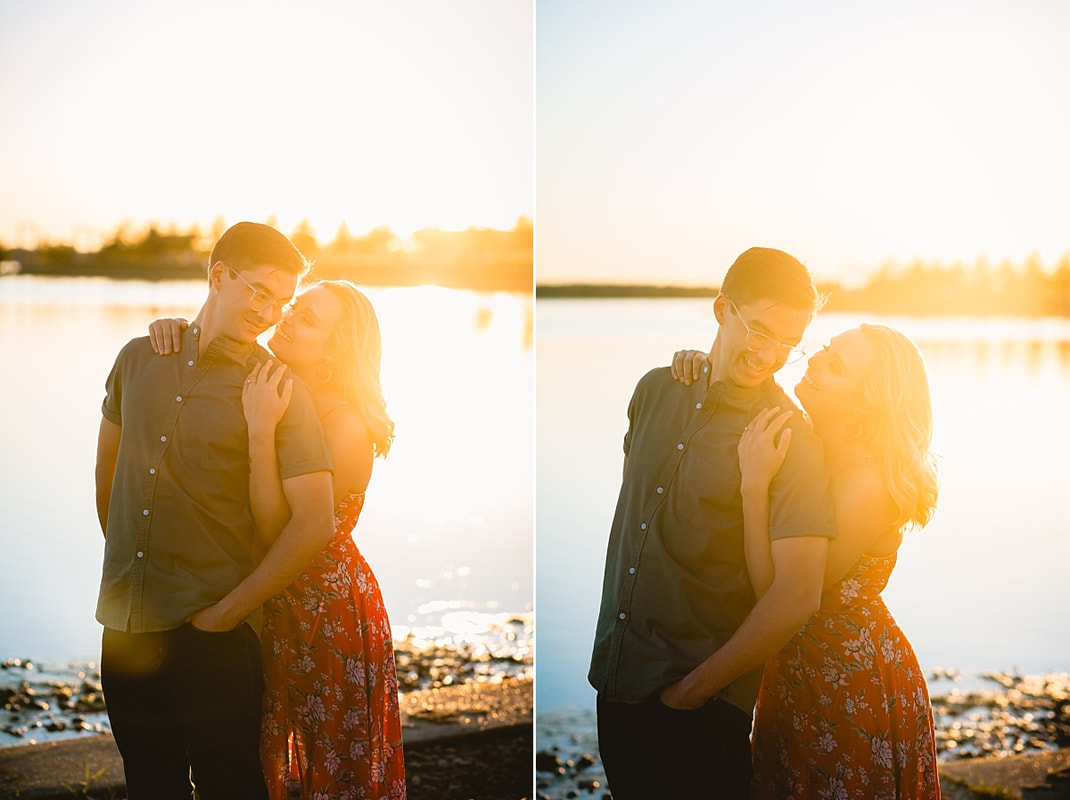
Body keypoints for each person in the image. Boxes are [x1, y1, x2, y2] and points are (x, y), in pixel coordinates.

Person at [94, 222, 336, 800]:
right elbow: (108, 477)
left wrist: (229, 614)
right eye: (260, 291)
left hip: (216, 634)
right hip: (125, 627)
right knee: (150, 783)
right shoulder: (137, 358)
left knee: (232, 786)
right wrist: (130, 572)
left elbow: (315, 523)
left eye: (281, 302)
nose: (269, 312)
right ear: (219, 276)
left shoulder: (278, 390)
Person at [587, 247, 837, 799]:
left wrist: (694, 692)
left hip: (698, 702)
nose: (769, 354)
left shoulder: (788, 438)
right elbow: (637, 519)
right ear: (723, 309)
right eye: (760, 330)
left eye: (787, 344)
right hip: (617, 677)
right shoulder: (655, 390)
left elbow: (797, 596)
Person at [148, 279, 406, 799]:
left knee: (327, 761)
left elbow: (280, 528)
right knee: (272, 758)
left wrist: (262, 432)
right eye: (294, 307)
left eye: (308, 319)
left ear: (336, 349)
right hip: (277, 594)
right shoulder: (280, 381)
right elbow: (218, 332)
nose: (286, 318)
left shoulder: (346, 424)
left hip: (324, 611)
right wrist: (176, 329)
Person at [671, 324, 941, 798]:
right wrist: (706, 364)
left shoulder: (869, 485)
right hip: (796, 671)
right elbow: (750, 384)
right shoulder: (810, 440)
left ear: (866, 403)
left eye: (835, 366)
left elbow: (778, 591)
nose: (814, 360)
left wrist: (754, 490)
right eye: (824, 349)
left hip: (850, 684)